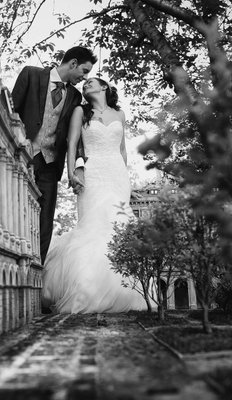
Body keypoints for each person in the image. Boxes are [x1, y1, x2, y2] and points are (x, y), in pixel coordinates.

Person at [42, 77, 147, 314]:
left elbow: (122, 150)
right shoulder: (80, 111)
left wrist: (126, 177)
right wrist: (71, 172)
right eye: (85, 82)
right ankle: (87, 291)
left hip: (117, 175)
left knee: (118, 225)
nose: (86, 83)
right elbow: (72, 144)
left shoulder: (120, 114)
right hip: (92, 172)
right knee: (93, 226)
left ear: (104, 88)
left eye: (91, 81)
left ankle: (125, 293)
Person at [12, 47, 97, 267]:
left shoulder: (75, 96)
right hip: (21, 158)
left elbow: (74, 137)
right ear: (73, 63)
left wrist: (75, 168)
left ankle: (37, 272)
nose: (84, 77)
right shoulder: (31, 74)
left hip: (50, 165)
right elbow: (10, 112)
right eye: (84, 70)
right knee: (14, 209)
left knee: (44, 223)